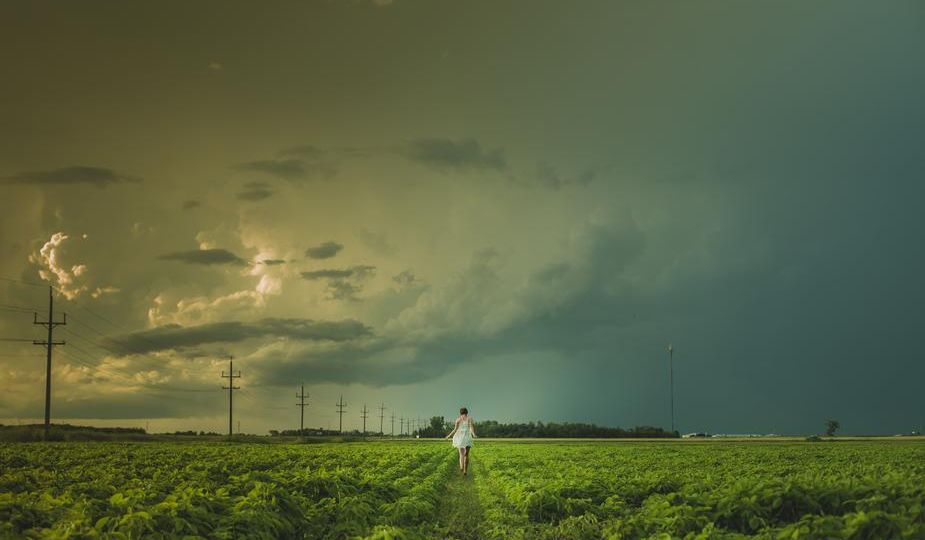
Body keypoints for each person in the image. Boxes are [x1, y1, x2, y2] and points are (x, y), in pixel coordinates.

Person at [445, 407, 477, 475]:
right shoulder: (470, 419)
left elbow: (455, 430)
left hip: (459, 438)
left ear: (460, 413)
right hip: (467, 437)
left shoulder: (458, 419)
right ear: (467, 412)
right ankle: (465, 470)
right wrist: (473, 434)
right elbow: (471, 428)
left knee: (461, 454)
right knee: (466, 455)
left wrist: (449, 436)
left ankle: (461, 467)